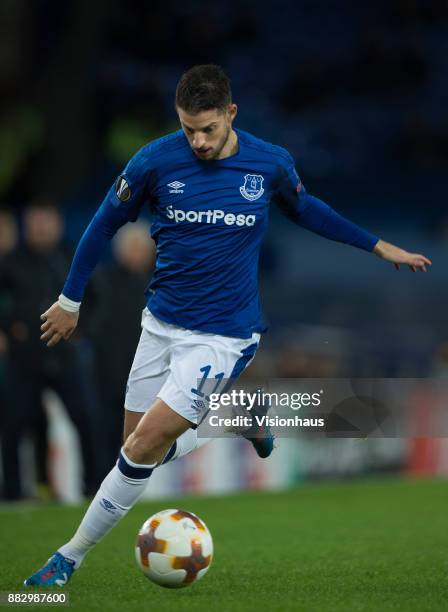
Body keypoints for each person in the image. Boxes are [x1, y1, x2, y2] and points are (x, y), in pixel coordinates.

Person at [24, 64, 431, 586]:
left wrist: (376, 245)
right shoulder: (154, 161)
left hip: (223, 337)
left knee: (140, 449)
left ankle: (66, 561)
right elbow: (104, 222)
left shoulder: (268, 163)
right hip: (161, 325)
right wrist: (69, 300)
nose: (197, 141)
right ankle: (237, 415)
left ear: (231, 113)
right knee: (141, 451)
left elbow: (308, 210)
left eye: (208, 129)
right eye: (188, 128)